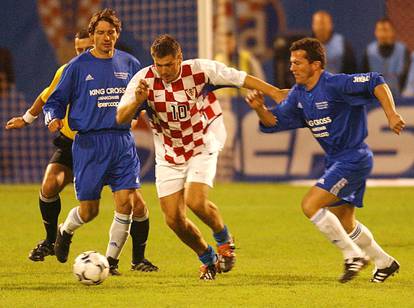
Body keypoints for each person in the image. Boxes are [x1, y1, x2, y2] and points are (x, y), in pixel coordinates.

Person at [117, 34, 287, 280]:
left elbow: (240, 78)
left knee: (195, 200)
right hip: (168, 152)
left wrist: (275, 92)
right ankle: (207, 258)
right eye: (159, 65)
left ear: (180, 58)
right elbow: (121, 117)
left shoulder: (200, 71)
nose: (163, 71)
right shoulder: (142, 80)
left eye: (169, 65)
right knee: (173, 219)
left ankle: (223, 239)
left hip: (202, 141)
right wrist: (137, 102)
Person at [245, 37, 405, 283]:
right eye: (291, 62)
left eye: (298, 62)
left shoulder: (337, 84)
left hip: (354, 158)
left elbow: (376, 81)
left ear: (316, 64)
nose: (292, 67)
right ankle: (384, 262)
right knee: (345, 221)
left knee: (310, 205)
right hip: (337, 161)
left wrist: (391, 114)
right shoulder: (299, 94)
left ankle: (353, 256)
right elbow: (274, 122)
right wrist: (259, 108)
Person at [43, 9, 158, 275]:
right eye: (101, 33)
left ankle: (112, 261)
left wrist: (143, 103)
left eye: (111, 32)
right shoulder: (77, 66)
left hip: (121, 142)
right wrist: (53, 117)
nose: (106, 38)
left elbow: (141, 101)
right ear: (93, 35)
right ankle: (65, 230)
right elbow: (54, 101)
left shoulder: (129, 64)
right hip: (89, 145)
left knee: (126, 202)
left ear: (118, 34)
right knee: (89, 210)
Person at [5, 29, 93, 261]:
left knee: (129, 201)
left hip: (101, 146)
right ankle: (50, 240)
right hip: (70, 144)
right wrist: (26, 119)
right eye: (79, 49)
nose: (83, 54)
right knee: (49, 186)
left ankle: (137, 258)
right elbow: (46, 96)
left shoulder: (110, 70)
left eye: (88, 48)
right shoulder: (67, 71)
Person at [362, 17, 410, 96]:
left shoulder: (403, 51)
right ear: (375, 32)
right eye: (380, 30)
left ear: (393, 32)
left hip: (399, 99)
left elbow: (407, 79)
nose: (383, 34)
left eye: (386, 30)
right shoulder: (369, 52)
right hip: (375, 99)